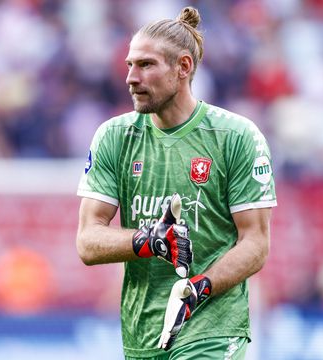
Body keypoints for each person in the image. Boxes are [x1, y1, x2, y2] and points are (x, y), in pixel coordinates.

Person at [76, 6, 277, 359]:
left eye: (146, 65)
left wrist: (200, 289)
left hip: (213, 328)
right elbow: (88, 241)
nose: (131, 78)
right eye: (129, 65)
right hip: (143, 334)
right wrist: (149, 239)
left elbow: (255, 243)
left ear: (183, 67)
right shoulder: (114, 137)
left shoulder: (235, 137)